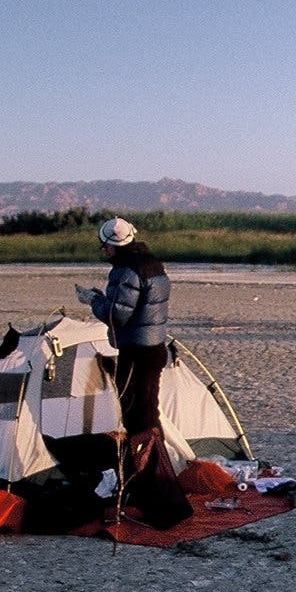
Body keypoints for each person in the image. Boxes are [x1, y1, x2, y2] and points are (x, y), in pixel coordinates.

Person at [77, 217, 187, 527]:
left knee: (137, 418)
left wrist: (94, 300)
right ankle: (159, 482)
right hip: (155, 349)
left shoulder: (125, 270)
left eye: (105, 247)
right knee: (149, 416)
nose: (104, 252)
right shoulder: (153, 264)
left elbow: (118, 315)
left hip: (136, 352)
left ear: (112, 245)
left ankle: (155, 492)